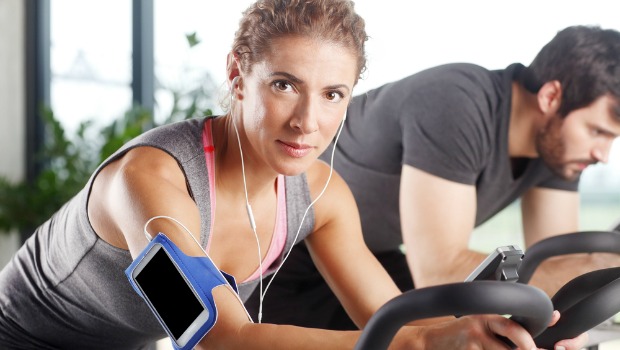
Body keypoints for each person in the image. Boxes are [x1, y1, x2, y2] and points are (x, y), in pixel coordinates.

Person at [0, 0, 586, 349]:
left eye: (333, 94)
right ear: (237, 73)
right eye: (285, 85)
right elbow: (215, 338)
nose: (308, 121)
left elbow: (400, 329)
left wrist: (477, 336)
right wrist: (426, 340)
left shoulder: (322, 199)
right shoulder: (148, 181)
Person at [246, 24, 620, 333]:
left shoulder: (558, 150)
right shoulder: (458, 102)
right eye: (597, 132)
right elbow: (441, 269)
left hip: (372, 254)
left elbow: (559, 269)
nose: (602, 154)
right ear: (552, 96)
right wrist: (595, 267)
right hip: (284, 258)